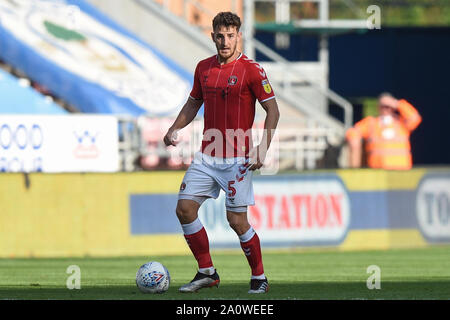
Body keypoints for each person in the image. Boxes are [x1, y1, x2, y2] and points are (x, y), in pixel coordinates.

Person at [163, 12, 280, 294]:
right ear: (212, 35)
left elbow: (273, 110)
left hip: (237, 159)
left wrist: (262, 148)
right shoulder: (203, 68)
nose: (225, 41)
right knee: (184, 208)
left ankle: (259, 277)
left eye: (230, 35)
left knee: (236, 221)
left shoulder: (252, 69)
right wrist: (174, 128)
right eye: (220, 36)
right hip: (207, 155)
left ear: (238, 35)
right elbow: (193, 103)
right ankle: (207, 272)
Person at [346, 93, 422, 170]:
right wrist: (354, 140)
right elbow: (353, 131)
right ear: (378, 107)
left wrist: (397, 104)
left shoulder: (401, 123)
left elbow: (415, 118)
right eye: (383, 106)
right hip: (378, 171)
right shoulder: (371, 123)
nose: (386, 109)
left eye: (388, 106)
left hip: (401, 171)